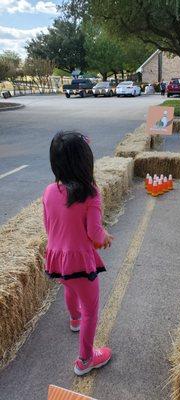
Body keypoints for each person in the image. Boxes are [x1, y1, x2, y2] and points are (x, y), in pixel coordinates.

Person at [43, 131, 113, 376]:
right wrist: (105, 238)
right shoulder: (90, 193)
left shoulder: (50, 191)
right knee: (91, 310)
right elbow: (94, 233)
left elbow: (48, 225)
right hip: (80, 262)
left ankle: (74, 320)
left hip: (56, 259)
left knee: (69, 288)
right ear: (86, 161)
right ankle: (85, 359)